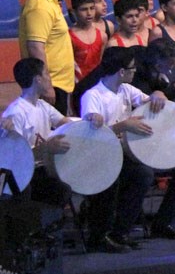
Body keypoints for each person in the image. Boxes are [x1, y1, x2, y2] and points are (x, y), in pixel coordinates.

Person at [80, 47, 175, 250]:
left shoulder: (126, 90)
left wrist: (158, 94)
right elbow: (90, 135)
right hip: (103, 154)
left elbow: (149, 101)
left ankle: (160, 223)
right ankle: (110, 233)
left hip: (128, 151)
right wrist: (123, 126)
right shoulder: (92, 96)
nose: (135, 71)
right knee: (141, 174)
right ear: (121, 71)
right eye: (132, 68)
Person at [1, 58, 100, 206]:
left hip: (46, 165)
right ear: (38, 79)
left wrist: (89, 119)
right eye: (46, 74)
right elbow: (17, 159)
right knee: (61, 189)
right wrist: (46, 148)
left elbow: (67, 123)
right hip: (28, 174)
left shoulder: (42, 105)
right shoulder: (16, 113)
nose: (50, 78)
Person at [20, 0, 74, 115]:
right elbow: (35, 47)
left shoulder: (49, 1)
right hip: (51, 85)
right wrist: (46, 84)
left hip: (59, 83)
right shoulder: (40, 7)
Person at [68, 0, 106, 84]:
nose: (89, 13)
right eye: (84, 9)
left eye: (92, 8)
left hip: (96, 83)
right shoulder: (68, 37)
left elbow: (101, 63)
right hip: (77, 84)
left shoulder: (102, 35)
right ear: (74, 12)